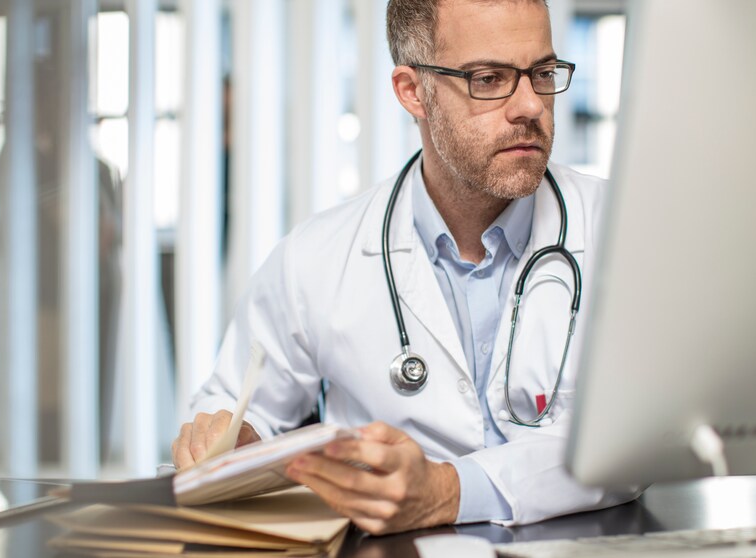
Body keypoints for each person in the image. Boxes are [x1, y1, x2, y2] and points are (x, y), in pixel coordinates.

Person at [172, 0, 640, 534]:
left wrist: (450, 491)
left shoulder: (626, 232)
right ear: (412, 92)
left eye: (542, 73)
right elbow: (233, 405)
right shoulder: (318, 258)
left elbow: (643, 439)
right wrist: (233, 440)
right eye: (490, 79)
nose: (531, 105)